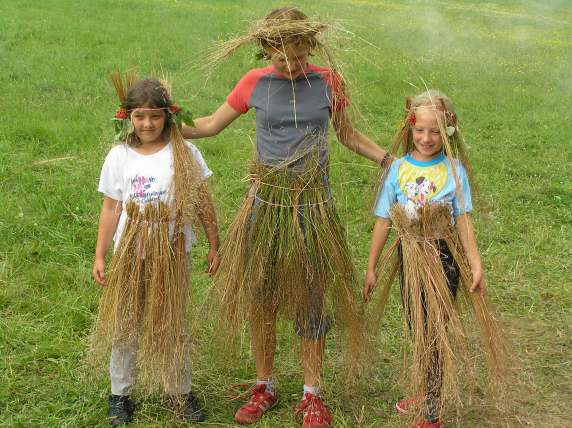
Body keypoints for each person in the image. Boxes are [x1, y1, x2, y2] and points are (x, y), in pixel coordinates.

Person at [182, 7, 388, 428]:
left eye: (297, 56)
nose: (290, 66)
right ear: (264, 51)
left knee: (312, 296)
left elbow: (347, 135)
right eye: (280, 58)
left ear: (310, 46)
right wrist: (163, 124)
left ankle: (312, 393)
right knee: (262, 294)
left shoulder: (328, 81)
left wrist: (389, 159)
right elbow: (209, 125)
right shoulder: (253, 83)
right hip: (266, 206)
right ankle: (265, 385)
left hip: (313, 208)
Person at [363, 90, 505, 428]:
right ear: (409, 128)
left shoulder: (455, 171)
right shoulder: (397, 169)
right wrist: (371, 267)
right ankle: (426, 386)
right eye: (420, 130)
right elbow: (384, 220)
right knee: (416, 324)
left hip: (443, 258)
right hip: (409, 256)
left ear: (450, 131)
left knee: (435, 330)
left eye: (436, 131)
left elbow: (463, 219)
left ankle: (431, 409)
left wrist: (475, 263)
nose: (427, 138)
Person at [91, 75, 220, 426]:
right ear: (127, 117)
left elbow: (203, 202)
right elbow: (111, 207)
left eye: (155, 116)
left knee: (172, 322)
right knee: (126, 321)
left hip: (173, 250)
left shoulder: (184, 152)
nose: (147, 124)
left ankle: (180, 391)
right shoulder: (119, 156)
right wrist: (101, 255)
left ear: (168, 116)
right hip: (131, 250)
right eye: (139, 116)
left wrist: (214, 243)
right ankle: (120, 394)